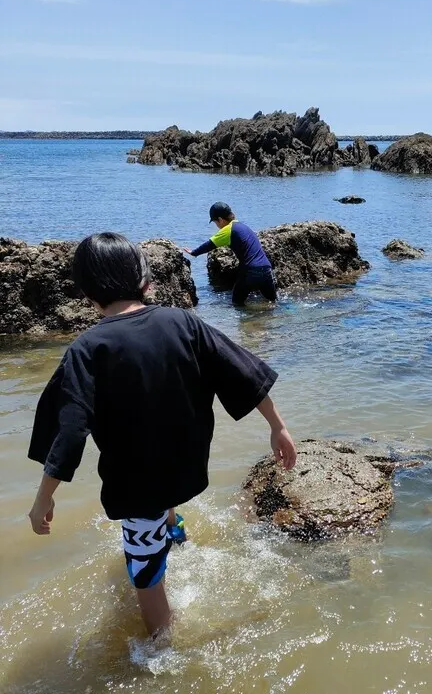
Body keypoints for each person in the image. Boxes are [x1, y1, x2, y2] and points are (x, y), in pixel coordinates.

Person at [27, 233, 297, 637]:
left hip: (138, 487)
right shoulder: (183, 321)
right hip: (186, 466)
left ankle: (160, 646)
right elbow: (243, 373)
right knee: (162, 474)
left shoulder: (88, 348)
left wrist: (44, 496)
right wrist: (279, 427)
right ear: (145, 280)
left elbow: (68, 432)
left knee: (146, 577)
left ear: (87, 292)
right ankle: (177, 533)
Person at [184, 202, 277, 307]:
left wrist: (193, 252)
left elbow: (209, 245)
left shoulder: (228, 230)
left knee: (237, 303)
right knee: (272, 301)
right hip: (266, 268)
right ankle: (287, 313)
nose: (217, 226)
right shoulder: (244, 226)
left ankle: (249, 321)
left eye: (215, 222)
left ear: (220, 219)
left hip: (250, 271)